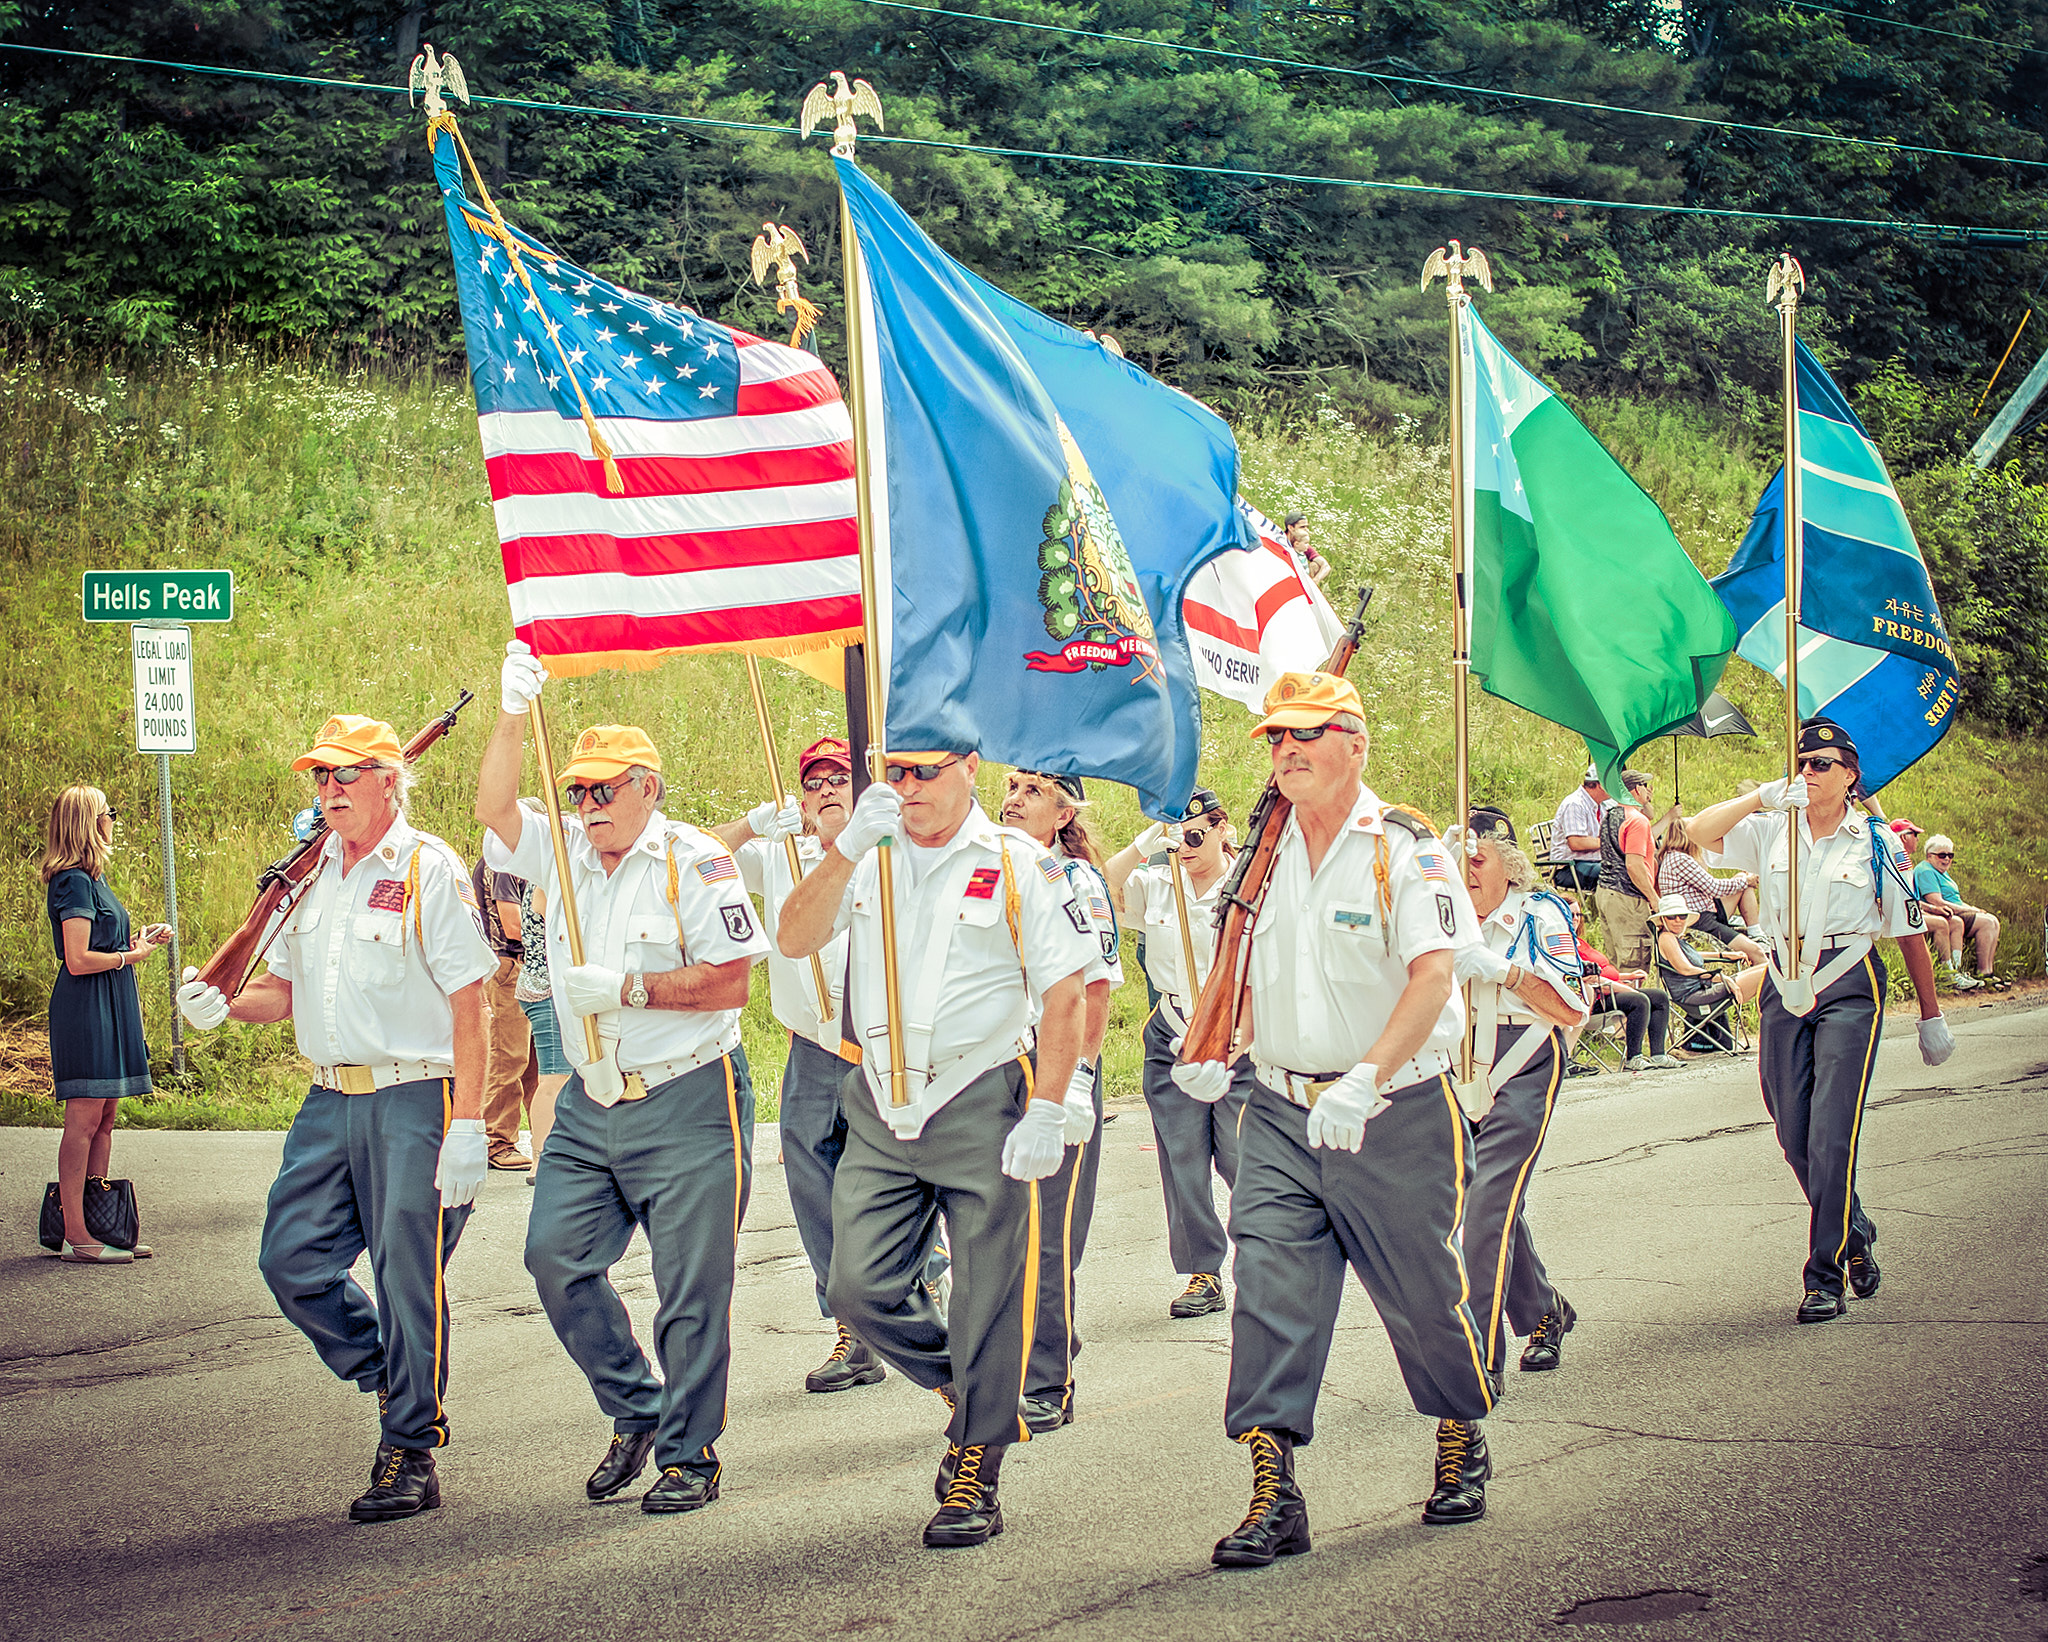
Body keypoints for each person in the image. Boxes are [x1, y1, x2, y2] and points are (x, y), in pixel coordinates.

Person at [1172, 670, 1497, 1568]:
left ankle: (1460, 1436)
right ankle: (1274, 1493)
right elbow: (1244, 966)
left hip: (1393, 1108)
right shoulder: (1262, 856)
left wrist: (1366, 1077)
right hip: (1277, 1110)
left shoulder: (1406, 850)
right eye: (1277, 739)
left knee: (1422, 1291)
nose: (1288, 752)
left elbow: (1434, 978)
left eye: (1307, 735)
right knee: (1268, 1297)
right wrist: (1219, 1047)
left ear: (1357, 743)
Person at [176, 714, 496, 1521]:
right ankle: (394, 1373)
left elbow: (471, 1002)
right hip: (328, 1097)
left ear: (392, 779)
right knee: (291, 1261)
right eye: (321, 778)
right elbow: (278, 992)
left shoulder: (429, 867)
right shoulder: (312, 876)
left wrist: (468, 1122)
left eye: (346, 775)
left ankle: (411, 1447)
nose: (330, 791)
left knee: (405, 1277)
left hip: (416, 1094)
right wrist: (218, 1004)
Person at [776, 745, 1096, 1550]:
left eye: (925, 771)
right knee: (856, 1287)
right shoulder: (867, 853)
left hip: (979, 1091)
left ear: (970, 770)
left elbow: (1064, 991)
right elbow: (792, 937)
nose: (907, 786)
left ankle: (975, 1466)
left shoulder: (1019, 864)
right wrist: (846, 849)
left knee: (988, 1293)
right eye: (895, 771)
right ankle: (965, 1381)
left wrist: (1052, 1106)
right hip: (883, 1102)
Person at [481, 644, 771, 1515]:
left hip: (688, 1092)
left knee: (690, 1287)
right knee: (554, 1259)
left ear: (649, 785)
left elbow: (733, 982)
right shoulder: (562, 851)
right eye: (577, 789)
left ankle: (691, 1453)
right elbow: (496, 805)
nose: (587, 804)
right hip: (591, 1096)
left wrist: (632, 988)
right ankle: (637, 1406)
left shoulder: (693, 861)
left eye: (604, 789)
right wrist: (508, 710)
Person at [1689, 717, 1954, 1324]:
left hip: (1848, 980)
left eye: (1821, 765)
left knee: (1832, 1132)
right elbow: (1696, 834)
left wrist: (1930, 1015)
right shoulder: (1773, 827)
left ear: (1851, 775)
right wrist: (1760, 795)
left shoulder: (1877, 842)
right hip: (1784, 983)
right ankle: (1853, 1231)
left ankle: (1825, 1275)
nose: (1807, 773)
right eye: (1802, 763)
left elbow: (1909, 929)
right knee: (1793, 1132)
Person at [709, 737, 877, 1395]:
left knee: (891, 1182)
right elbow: (689, 860)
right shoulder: (776, 851)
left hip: (878, 1044)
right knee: (815, 1193)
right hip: (810, 1044)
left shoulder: (883, 846)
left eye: (841, 778)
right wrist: (753, 823)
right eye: (817, 782)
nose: (830, 789)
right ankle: (851, 1332)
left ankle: (921, 1279)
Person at [996, 768, 1124, 1434]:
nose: (1014, 799)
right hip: (998, 1069)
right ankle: (1005, 1367)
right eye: (1012, 786)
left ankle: (1049, 1377)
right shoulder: (992, 869)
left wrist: (1078, 1077)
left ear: (1064, 811)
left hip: (1058, 1068)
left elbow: (1093, 992)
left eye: (1034, 791)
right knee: (998, 1231)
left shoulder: (1073, 881)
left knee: (1047, 1235)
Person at [1105, 786, 1258, 1321]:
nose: (1187, 846)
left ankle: (1269, 1256)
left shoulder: (1249, 883)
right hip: (1173, 1030)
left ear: (1221, 829)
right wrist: (1145, 844)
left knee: (1245, 1157)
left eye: (1196, 835)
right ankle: (1203, 1271)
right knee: (1183, 1161)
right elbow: (1102, 889)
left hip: (1237, 1031)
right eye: (1179, 837)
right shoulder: (1159, 883)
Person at [1448, 808, 1587, 1385]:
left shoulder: (1538, 912)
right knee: (1487, 1207)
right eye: (1460, 857)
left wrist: (1503, 971)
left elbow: (1570, 1008)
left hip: (1521, 1056)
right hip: (1455, 1062)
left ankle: (1479, 1359)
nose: (1469, 868)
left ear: (1510, 863)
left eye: (1479, 857)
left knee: (1484, 1209)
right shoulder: (1439, 914)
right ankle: (1543, 1310)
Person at [42, 786, 170, 1263]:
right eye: (108, 813)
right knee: (83, 1118)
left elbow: (101, 941)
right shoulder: (72, 880)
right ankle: (76, 1234)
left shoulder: (94, 880)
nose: (114, 819)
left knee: (106, 1117)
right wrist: (129, 956)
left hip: (111, 1000)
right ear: (90, 822)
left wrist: (137, 939)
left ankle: (100, 1221)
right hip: (86, 1006)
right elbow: (77, 959)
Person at [473, 853, 538, 1172]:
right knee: (507, 1056)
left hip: (530, 968)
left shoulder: (519, 862)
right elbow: (513, 925)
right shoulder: (505, 863)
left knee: (536, 1064)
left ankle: (545, 1139)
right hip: (509, 965)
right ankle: (496, 1140)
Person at [1651, 894, 1766, 1052]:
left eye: (1682, 916)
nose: (1678, 920)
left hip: (1705, 988)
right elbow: (1685, 968)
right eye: (1671, 916)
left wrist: (1724, 955)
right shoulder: (1666, 938)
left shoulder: (1675, 939)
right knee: (1765, 973)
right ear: (1663, 919)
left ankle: (1771, 1031)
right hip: (1694, 996)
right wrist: (1722, 978)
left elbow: (1694, 957)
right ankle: (1769, 1034)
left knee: (1766, 968)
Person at [1570, 903, 1677, 1070]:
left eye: (1578, 914)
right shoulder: (1566, 946)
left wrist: (1628, 976)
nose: (1575, 918)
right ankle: (1633, 1058)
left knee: (1659, 996)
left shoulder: (1580, 942)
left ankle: (1658, 1055)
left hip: (1611, 990)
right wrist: (1629, 989)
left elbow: (1603, 971)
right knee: (1638, 1000)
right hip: (1596, 1000)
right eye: (1571, 914)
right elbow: (1593, 981)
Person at [514, 865, 570, 1184]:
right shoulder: (546, 878)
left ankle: (552, 1156)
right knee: (553, 1077)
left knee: (557, 1076)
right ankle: (541, 1160)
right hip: (546, 987)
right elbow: (559, 925)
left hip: (547, 986)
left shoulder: (546, 875)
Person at [1656, 816, 1765, 961]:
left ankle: (1755, 931)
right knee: (1756, 952)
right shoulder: (1680, 860)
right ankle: (1756, 936)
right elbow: (1713, 888)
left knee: (1741, 879)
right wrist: (1747, 881)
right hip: (1699, 919)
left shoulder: (1674, 857)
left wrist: (1743, 880)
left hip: (1705, 910)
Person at [1914, 834, 2003, 990]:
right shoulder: (1925, 870)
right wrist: (1970, 909)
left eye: (1950, 855)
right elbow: (1936, 901)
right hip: (1944, 912)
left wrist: (1972, 908)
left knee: (1993, 920)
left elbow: (1957, 900)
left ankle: (1988, 971)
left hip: (1956, 910)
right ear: (1930, 856)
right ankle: (1981, 971)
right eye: (1942, 855)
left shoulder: (1941, 871)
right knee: (1987, 923)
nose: (1947, 859)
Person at [1594, 769, 1657, 971]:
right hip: (1628, 896)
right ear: (1637, 789)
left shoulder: (1610, 815)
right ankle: (1633, 1002)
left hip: (1605, 891)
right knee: (1633, 966)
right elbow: (1634, 865)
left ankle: (1616, 1002)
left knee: (1615, 964)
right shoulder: (1638, 821)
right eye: (1646, 786)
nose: (1651, 791)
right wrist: (1653, 898)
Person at [1547, 766, 1609, 893]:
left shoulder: (1600, 806)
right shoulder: (1575, 804)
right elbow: (1576, 843)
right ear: (1601, 785)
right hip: (1569, 869)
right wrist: (1608, 842)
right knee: (1615, 872)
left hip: (1590, 863)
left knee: (1625, 867)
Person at [1282, 512, 1332, 585]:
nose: (1306, 530)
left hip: (1301, 581)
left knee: (1315, 566)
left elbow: (1326, 566)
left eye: (1307, 527)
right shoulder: (1280, 542)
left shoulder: (1303, 545)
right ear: (1290, 528)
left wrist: (1315, 580)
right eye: (1302, 527)